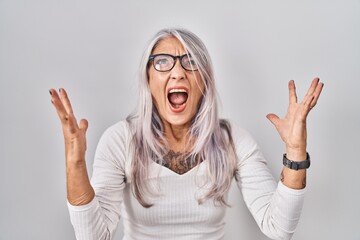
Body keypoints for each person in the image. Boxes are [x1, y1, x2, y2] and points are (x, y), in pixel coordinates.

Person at [49, 28, 323, 240]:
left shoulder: (233, 140)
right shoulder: (120, 140)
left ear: (205, 80)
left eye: (190, 62)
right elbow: (93, 235)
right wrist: (75, 165)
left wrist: (296, 153)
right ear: (148, 80)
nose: (178, 72)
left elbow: (278, 228)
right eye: (163, 62)